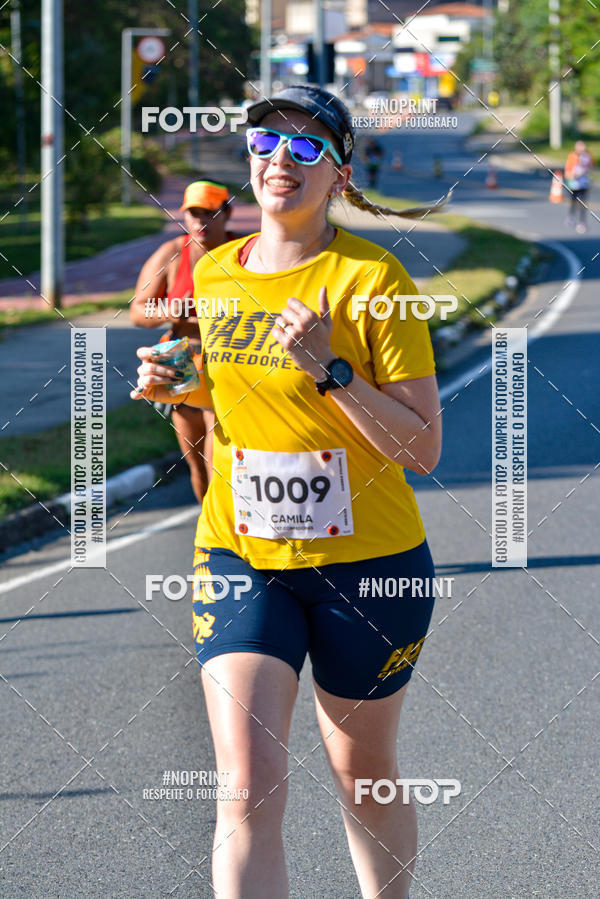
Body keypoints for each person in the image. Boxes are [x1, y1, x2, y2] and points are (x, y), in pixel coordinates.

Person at [131, 85, 445, 899]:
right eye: (267, 143)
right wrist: (178, 382)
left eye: (307, 149)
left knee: (362, 772)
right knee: (245, 781)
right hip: (242, 555)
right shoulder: (220, 276)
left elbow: (422, 445)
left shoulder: (373, 281)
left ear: (339, 175)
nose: (282, 160)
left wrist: (331, 369)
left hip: (370, 567)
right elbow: (232, 397)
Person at [130, 180, 239, 502]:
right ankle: (209, 535)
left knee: (217, 456)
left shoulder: (246, 251)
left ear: (226, 213)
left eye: (209, 213)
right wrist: (170, 309)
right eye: (193, 214)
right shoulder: (173, 253)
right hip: (182, 359)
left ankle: (229, 534)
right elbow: (138, 310)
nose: (199, 222)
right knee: (198, 466)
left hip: (227, 357)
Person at [564, 141, 594, 233]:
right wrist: (569, 175)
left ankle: (582, 222)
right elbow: (568, 169)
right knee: (573, 201)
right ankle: (571, 216)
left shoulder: (587, 156)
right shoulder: (572, 156)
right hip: (574, 183)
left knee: (583, 203)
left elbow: (591, 167)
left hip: (584, 183)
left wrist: (584, 172)